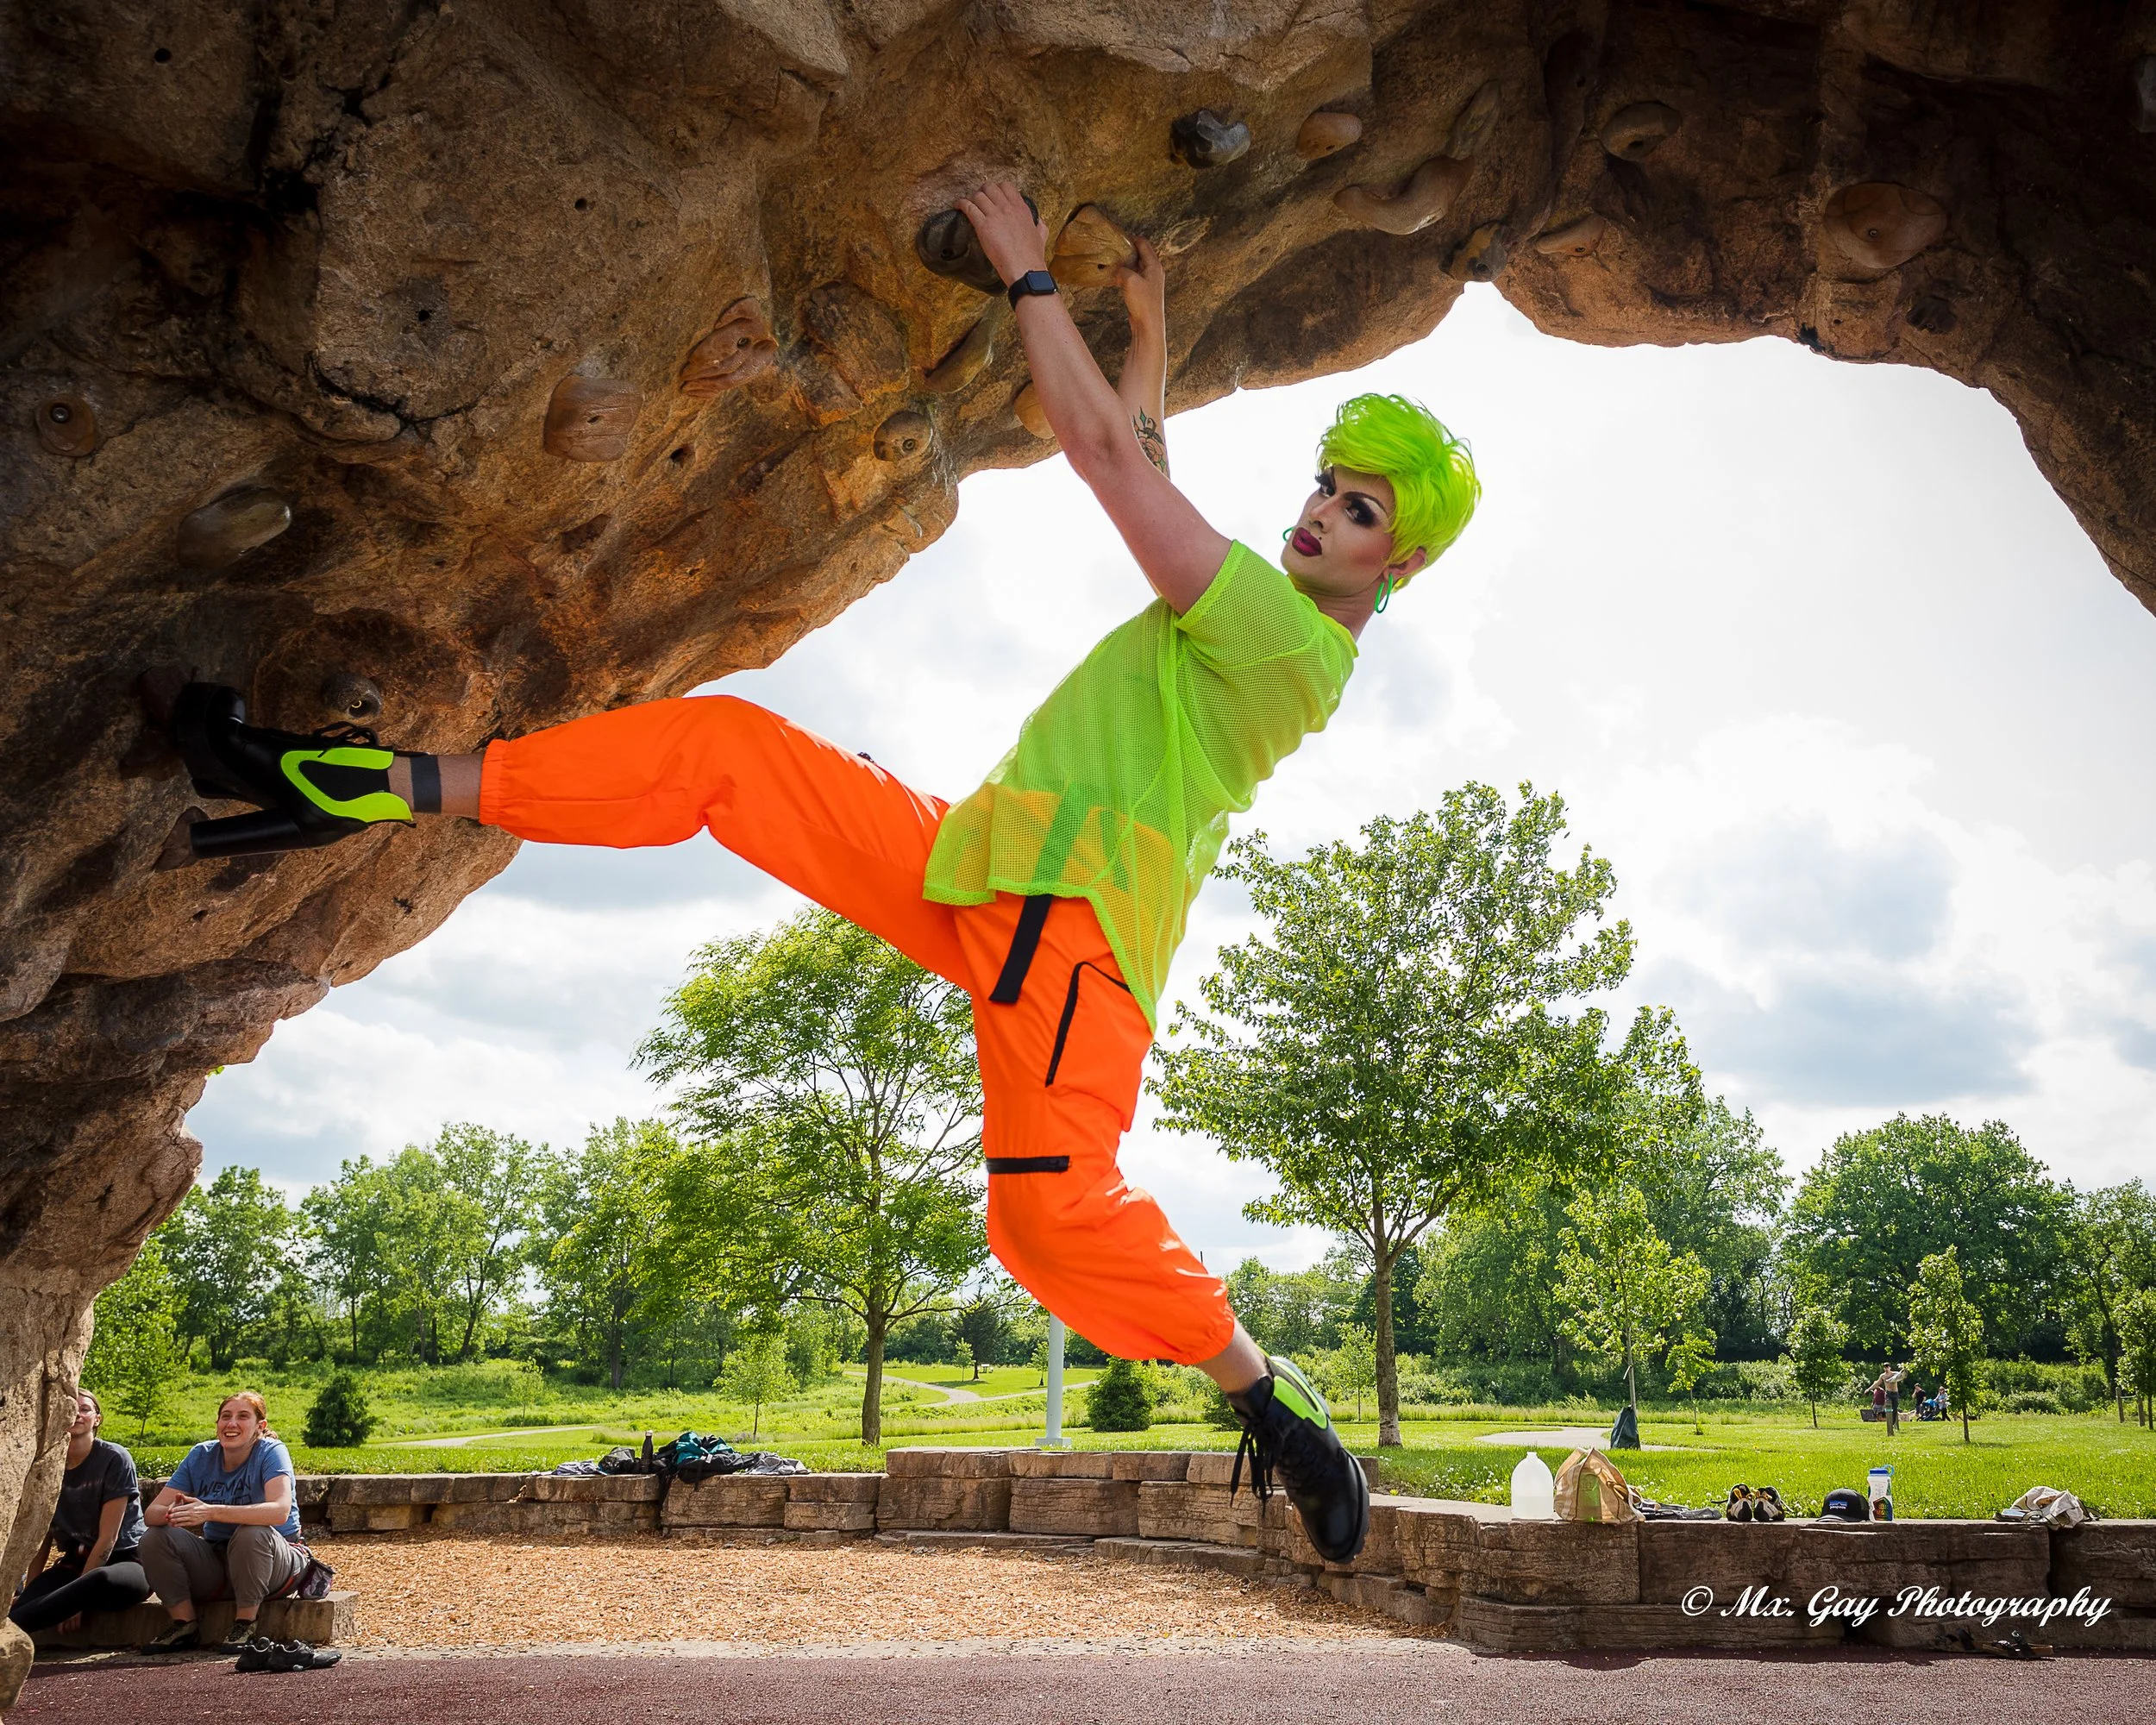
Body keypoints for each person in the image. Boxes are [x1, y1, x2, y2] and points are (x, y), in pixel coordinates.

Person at [161, 182, 1481, 1565]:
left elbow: (1108, 465)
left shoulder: (1288, 641)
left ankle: (1271, 1406)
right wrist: (1150, 331)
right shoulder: (1258, 604)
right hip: (985, 860)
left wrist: (1032, 274)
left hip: (1081, 936)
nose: (1327, 513)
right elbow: (1142, 451)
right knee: (731, 756)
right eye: (1328, 489)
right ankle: (373, 785)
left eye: (1366, 511)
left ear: (1405, 564)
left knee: (1042, 1220)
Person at [138, 1391, 305, 1650]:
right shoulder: (201, 1455)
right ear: (217, 1424)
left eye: (242, 1417)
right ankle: (184, 1624)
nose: (231, 1424)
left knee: (252, 1532)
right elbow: (152, 1513)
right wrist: (180, 1514)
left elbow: (279, 1511)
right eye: (225, 1417)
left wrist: (210, 1512)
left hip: (275, 1560)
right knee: (155, 1537)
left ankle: (245, 1622)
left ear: (260, 1427)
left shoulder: (271, 1452)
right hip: (218, 1560)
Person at [8, 1389, 151, 1638]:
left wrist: (76, 1603)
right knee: (27, 1600)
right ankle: (10, 1633)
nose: (76, 1414)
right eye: (70, 1409)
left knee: (98, 1580)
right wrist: (31, 1589)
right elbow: (42, 1536)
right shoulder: (45, 1464)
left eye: (84, 1409)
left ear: (97, 1419)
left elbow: (109, 1538)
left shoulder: (115, 1459)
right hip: (75, 1564)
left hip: (127, 1563)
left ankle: (8, 1629)